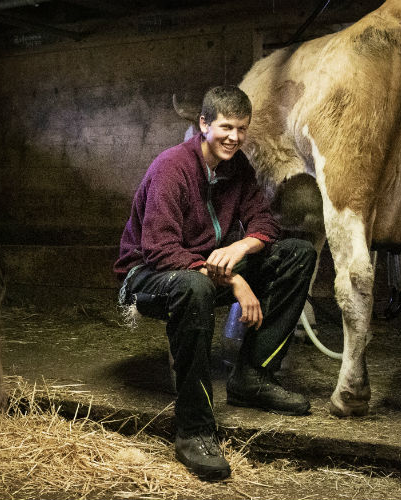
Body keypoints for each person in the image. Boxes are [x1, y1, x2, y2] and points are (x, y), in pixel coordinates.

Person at [114, 85, 316, 481]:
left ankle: (253, 378)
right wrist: (237, 281)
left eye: (242, 128)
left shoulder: (237, 167)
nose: (234, 137)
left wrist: (243, 245)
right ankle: (193, 428)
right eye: (226, 126)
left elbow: (264, 221)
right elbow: (159, 249)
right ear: (203, 124)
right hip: (148, 276)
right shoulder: (172, 167)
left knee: (298, 253)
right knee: (194, 287)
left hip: (206, 269)